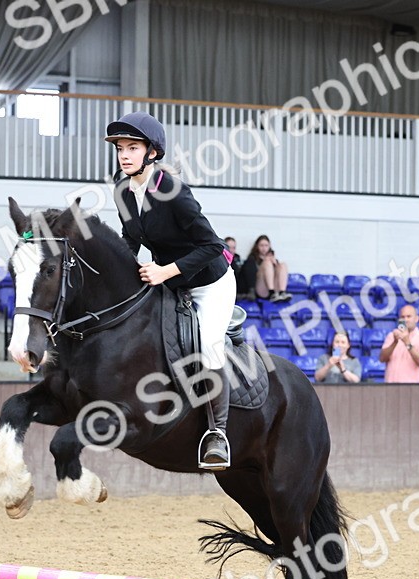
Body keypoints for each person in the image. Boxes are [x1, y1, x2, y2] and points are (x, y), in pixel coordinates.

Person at [106, 111, 236, 470]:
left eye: (132, 148)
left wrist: (164, 271)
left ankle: (218, 434)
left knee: (208, 347)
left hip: (210, 283)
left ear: (152, 152)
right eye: (120, 149)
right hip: (171, 283)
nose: (124, 155)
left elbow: (213, 245)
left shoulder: (174, 192)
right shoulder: (122, 191)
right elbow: (130, 239)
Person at [379, 305, 419, 383]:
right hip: (391, 386)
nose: (405, 320)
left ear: (416, 319)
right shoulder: (392, 336)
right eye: (402, 317)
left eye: (409, 316)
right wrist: (394, 342)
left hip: (412, 387)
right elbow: (382, 358)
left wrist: (407, 343)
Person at [243, 235, 290, 302]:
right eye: (261, 245)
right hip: (261, 288)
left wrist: (275, 264)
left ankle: (282, 292)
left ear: (269, 246)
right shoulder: (252, 259)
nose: (264, 248)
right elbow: (251, 277)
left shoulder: (273, 258)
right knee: (267, 263)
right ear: (257, 246)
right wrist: (265, 262)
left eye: (266, 245)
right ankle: (272, 293)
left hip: (275, 287)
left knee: (283, 265)